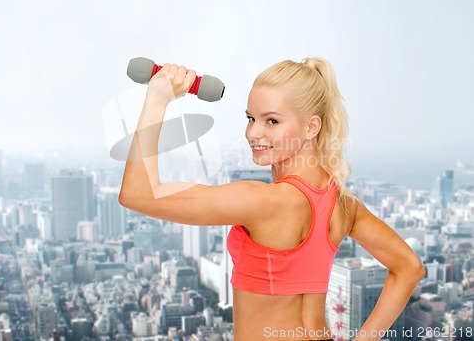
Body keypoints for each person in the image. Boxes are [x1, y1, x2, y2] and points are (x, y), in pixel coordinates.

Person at [119, 57, 425, 341]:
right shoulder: (344, 203)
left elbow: (138, 194)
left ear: (311, 127)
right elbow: (409, 267)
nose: (253, 132)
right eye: (251, 118)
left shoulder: (264, 201)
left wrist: (157, 98)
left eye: (272, 121)